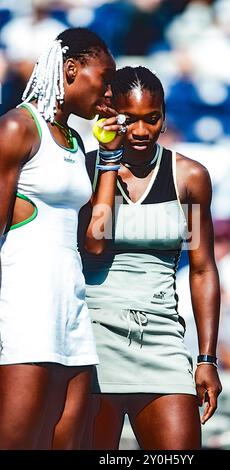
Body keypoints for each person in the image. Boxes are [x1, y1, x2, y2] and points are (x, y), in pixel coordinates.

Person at [81, 66, 222, 450]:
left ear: (164, 116)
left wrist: (206, 357)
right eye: (129, 120)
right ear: (110, 114)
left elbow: (203, 268)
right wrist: (107, 163)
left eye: (152, 118)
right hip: (92, 342)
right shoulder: (83, 168)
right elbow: (94, 244)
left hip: (163, 340)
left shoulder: (189, 177)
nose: (141, 131)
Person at [0, 27, 119, 450]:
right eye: (105, 79)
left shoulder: (73, 141)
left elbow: (97, 239)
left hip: (72, 308)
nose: (110, 93)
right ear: (71, 69)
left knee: (68, 442)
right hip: (24, 310)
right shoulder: (18, 127)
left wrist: (108, 158)